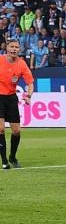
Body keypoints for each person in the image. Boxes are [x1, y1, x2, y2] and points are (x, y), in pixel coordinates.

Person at [0, 40, 34, 169]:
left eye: (17, 47)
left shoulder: (21, 64)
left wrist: (29, 96)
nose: (14, 49)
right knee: (1, 129)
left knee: (16, 131)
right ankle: (4, 161)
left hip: (11, 98)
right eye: (12, 46)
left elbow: (30, 83)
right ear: (6, 48)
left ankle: (12, 157)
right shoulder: (0, 60)